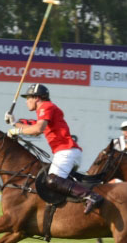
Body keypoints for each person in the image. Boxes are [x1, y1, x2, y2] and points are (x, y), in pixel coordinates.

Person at [6, 84, 103, 214]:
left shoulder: (46, 106)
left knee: (52, 180)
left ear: (37, 98)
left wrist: (15, 130)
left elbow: (38, 129)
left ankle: (92, 196)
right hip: (66, 152)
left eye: (28, 97)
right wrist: (14, 122)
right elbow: (35, 129)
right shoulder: (45, 111)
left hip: (66, 151)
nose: (26, 101)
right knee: (58, 184)